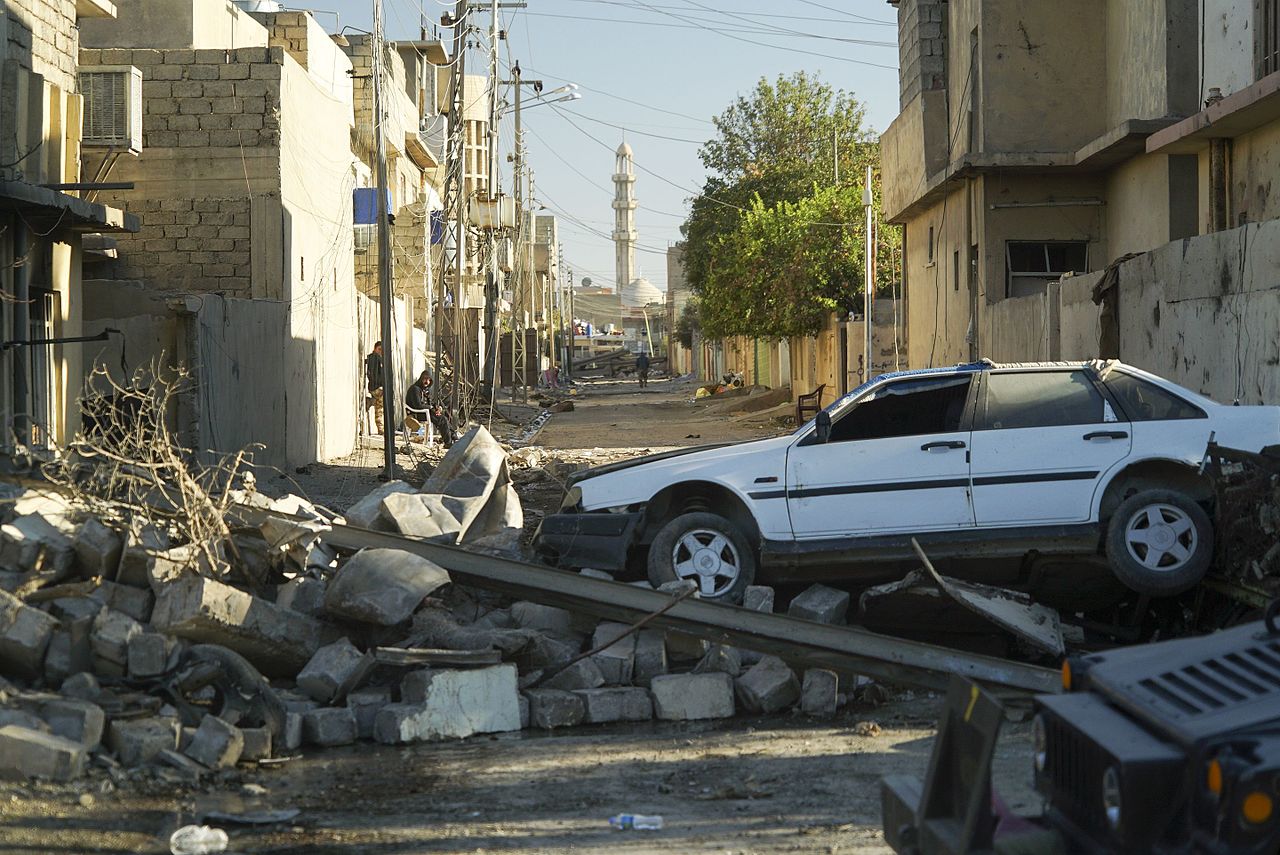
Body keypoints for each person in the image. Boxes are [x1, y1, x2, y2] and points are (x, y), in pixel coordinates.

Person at [404, 369, 454, 447]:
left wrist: (437, 408)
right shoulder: (415, 389)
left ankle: (453, 437)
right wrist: (431, 408)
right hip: (416, 414)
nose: (427, 382)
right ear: (421, 379)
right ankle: (448, 443)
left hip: (425, 412)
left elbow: (430, 402)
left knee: (443, 417)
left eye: (429, 380)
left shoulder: (425, 390)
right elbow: (418, 405)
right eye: (425, 379)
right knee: (442, 419)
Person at [365, 341, 384, 435]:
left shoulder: (377, 359)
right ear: (375, 349)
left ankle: (371, 401)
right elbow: (373, 376)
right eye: (379, 349)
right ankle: (381, 428)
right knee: (380, 407)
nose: (380, 351)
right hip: (375, 387)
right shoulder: (374, 358)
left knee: (379, 406)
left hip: (376, 387)